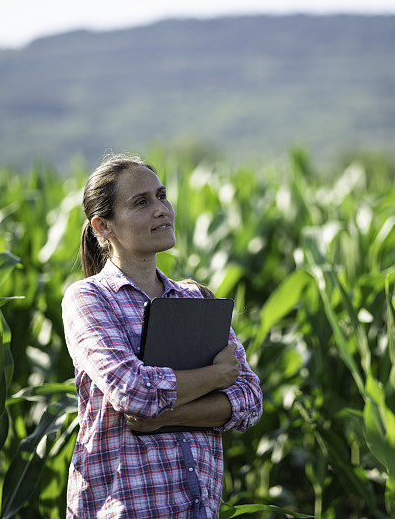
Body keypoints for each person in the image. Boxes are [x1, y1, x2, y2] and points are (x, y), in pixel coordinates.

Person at [61, 155, 263, 518]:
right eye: (141, 202)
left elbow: (250, 399)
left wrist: (163, 417)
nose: (161, 209)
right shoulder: (89, 298)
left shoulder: (196, 299)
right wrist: (216, 377)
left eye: (161, 195)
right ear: (103, 226)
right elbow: (133, 392)